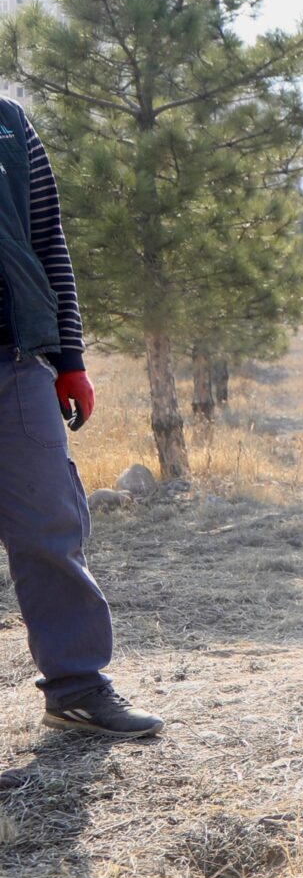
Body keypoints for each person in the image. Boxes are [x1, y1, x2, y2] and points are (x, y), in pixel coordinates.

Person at [0, 92, 158, 739]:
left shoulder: (9, 125)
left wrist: (70, 356)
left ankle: (76, 687)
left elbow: (47, 240)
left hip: (16, 364)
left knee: (52, 526)